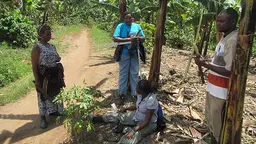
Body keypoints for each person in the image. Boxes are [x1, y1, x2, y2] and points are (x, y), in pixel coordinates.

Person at [194, 8, 239, 143]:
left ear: (232, 21)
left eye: (222, 21)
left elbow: (230, 70)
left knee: (218, 122)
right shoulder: (225, 36)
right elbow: (220, 62)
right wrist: (206, 64)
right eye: (217, 21)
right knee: (212, 119)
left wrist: (206, 65)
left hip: (222, 91)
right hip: (214, 88)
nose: (218, 24)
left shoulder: (232, 40)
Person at [94, 80, 158, 143]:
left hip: (147, 124)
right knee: (116, 115)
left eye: (137, 88)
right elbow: (138, 106)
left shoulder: (151, 100)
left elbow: (146, 121)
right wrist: (126, 108)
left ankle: (125, 133)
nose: (135, 89)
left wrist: (134, 130)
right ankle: (96, 119)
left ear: (142, 91)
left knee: (129, 138)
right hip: (137, 116)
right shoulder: (141, 95)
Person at [31, 24, 65, 129]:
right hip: (44, 76)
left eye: (50, 33)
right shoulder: (37, 48)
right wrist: (37, 80)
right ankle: (43, 118)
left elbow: (57, 57)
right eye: (47, 34)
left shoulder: (52, 46)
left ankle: (55, 112)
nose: (49, 35)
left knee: (56, 93)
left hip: (54, 75)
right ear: (40, 35)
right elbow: (34, 65)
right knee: (43, 97)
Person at [113, 11, 145, 105]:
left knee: (134, 73)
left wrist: (137, 38)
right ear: (124, 19)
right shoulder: (120, 26)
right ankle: (121, 94)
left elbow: (143, 38)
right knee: (123, 73)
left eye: (129, 18)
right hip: (124, 52)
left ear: (132, 18)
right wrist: (128, 39)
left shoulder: (137, 26)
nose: (128, 19)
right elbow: (115, 38)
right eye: (126, 18)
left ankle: (135, 93)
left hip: (135, 52)